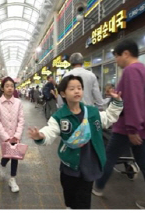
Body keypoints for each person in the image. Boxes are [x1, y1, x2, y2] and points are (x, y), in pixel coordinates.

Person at [29, 74, 122, 209]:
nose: (77, 91)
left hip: (89, 165)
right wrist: (41, 136)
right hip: (69, 167)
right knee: (70, 199)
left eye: (79, 88)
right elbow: (50, 130)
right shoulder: (60, 116)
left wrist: (117, 102)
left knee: (83, 202)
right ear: (63, 94)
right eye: (72, 88)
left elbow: (108, 118)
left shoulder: (92, 112)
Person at [92, 39, 145, 209]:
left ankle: (99, 187)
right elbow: (134, 97)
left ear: (125, 54)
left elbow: (133, 101)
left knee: (109, 158)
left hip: (129, 127)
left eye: (116, 57)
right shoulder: (142, 70)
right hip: (142, 126)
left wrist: (132, 128)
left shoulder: (131, 71)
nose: (116, 61)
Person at [0, 76, 25, 193]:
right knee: (7, 155)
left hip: (16, 136)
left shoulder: (19, 102)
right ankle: (2, 165)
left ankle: (12, 179)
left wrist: (17, 135)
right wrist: (6, 137)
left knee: (14, 157)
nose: (10, 88)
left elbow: (21, 119)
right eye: (7, 86)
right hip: (4, 136)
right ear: (2, 88)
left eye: (12, 86)